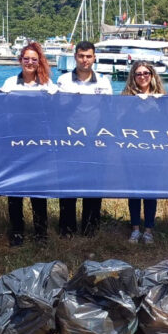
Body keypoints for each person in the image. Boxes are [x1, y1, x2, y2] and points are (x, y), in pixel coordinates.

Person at [0, 42, 57, 246]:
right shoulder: (9, 83)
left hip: (39, 146)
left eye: (34, 59)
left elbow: (57, 110)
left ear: (39, 61)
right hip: (16, 145)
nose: (30, 62)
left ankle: (41, 234)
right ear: (20, 61)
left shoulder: (48, 85)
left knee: (38, 191)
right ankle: (17, 234)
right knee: (15, 192)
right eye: (26, 59)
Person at [55, 40, 112, 236]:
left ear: (94, 58)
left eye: (88, 56)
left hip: (95, 144)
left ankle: (90, 229)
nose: (85, 60)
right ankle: (67, 229)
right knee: (68, 187)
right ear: (75, 57)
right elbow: (57, 111)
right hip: (69, 143)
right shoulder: (63, 81)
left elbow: (110, 112)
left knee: (93, 187)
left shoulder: (104, 82)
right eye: (81, 56)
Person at [119, 61, 166, 244]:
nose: (143, 76)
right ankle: (135, 228)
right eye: (138, 74)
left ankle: (148, 229)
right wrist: (134, 103)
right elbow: (119, 120)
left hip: (155, 152)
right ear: (133, 76)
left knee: (150, 191)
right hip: (131, 152)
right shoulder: (125, 98)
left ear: (152, 75)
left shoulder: (162, 98)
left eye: (146, 73)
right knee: (134, 191)